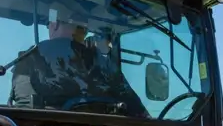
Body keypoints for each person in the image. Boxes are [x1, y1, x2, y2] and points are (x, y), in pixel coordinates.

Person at [9, 11, 148, 116]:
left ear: (54, 24)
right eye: (83, 29)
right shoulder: (102, 62)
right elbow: (135, 107)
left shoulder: (30, 57)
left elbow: (25, 108)